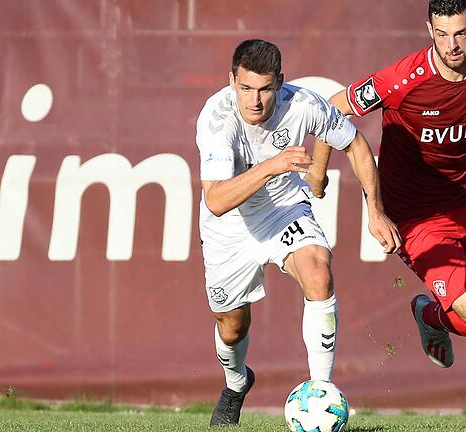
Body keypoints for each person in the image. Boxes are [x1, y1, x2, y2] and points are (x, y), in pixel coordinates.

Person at [313, 0, 466, 428]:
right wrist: (323, 176)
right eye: (442, 34)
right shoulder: (404, 78)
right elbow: (330, 106)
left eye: (461, 33)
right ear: (429, 28)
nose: (452, 44)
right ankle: (431, 313)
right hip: (413, 215)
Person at [195, 39, 401, 427]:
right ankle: (236, 383)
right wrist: (272, 165)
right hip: (230, 226)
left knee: (318, 273)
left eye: (265, 89)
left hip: (284, 210)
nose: (254, 101)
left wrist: (375, 210)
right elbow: (217, 201)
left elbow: (355, 143)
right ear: (231, 81)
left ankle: (320, 396)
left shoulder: (303, 104)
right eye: (245, 88)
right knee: (232, 324)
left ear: (280, 83)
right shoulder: (217, 119)